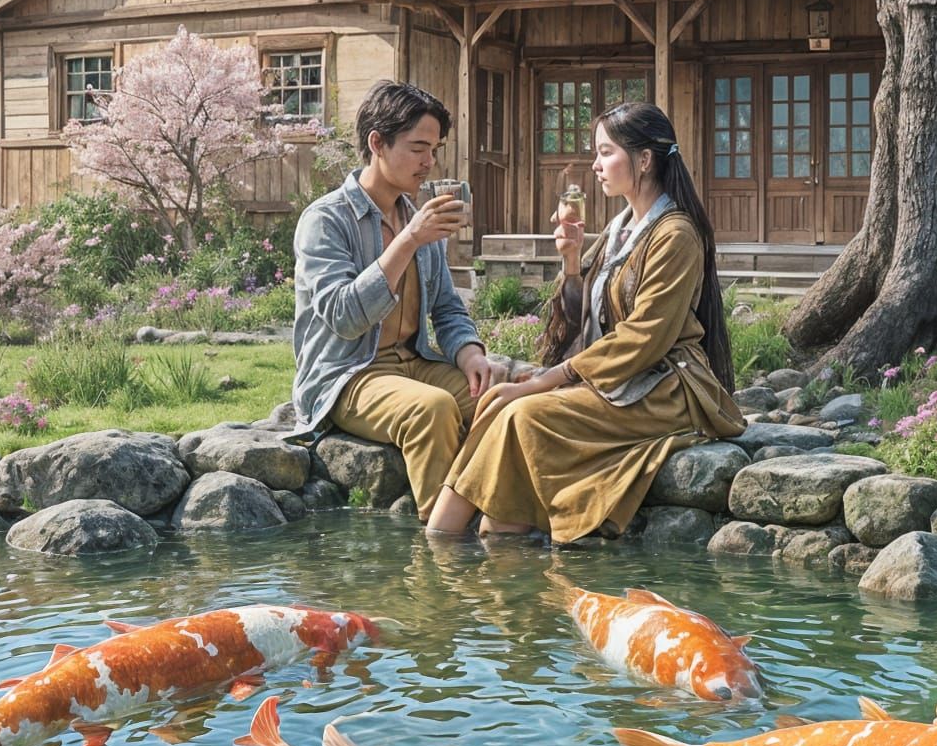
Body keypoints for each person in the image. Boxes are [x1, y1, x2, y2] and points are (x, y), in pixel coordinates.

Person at [427, 99, 744, 542]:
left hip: (662, 389)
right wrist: (573, 263)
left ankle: (457, 549)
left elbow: (644, 339)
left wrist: (545, 380)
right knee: (499, 404)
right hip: (612, 379)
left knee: (524, 414)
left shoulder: (675, 235)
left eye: (605, 152)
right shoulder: (620, 228)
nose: (596, 165)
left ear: (645, 160)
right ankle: (457, 541)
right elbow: (580, 319)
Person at [292, 80, 492, 515]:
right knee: (433, 410)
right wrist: (408, 240)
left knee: (498, 396)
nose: (430, 161)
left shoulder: (416, 215)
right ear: (377, 143)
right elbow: (344, 317)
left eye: (435, 149)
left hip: (414, 361)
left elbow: (446, 307)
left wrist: (471, 354)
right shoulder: (325, 221)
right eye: (419, 147)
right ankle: (444, 543)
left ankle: (501, 523)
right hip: (348, 374)